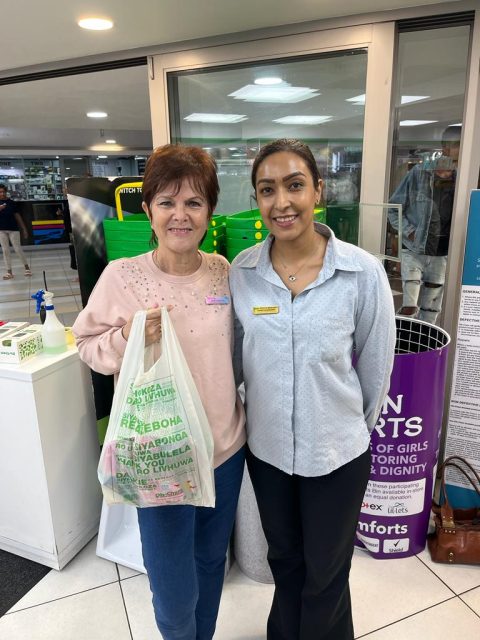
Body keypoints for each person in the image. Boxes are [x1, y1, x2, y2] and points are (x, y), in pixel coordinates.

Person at [72, 144, 246, 640]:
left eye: (194, 202)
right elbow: (86, 345)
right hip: (161, 457)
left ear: (210, 211)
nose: (180, 215)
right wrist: (128, 336)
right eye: (167, 202)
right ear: (148, 210)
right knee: (172, 587)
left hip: (225, 450)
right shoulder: (122, 276)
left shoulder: (223, 271)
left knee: (211, 561)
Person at [230, 138, 396, 640]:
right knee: (285, 561)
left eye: (295, 185)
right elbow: (235, 362)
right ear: (257, 200)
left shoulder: (361, 273)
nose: (282, 202)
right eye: (267, 190)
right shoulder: (242, 273)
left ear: (318, 191)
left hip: (337, 453)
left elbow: (376, 370)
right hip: (269, 453)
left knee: (326, 573)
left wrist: (346, 430)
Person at [388, 125, 461, 324]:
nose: (462, 150)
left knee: (431, 311)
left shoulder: (463, 178)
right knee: (409, 309)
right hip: (415, 250)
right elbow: (393, 209)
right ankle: (404, 341)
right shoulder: (419, 174)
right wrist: (410, 232)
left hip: (442, 254)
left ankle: (425, 344)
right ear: (446, 147)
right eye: (458, 145)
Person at [0, 184, 32, 279]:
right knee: (5, 250)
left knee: (17, 248)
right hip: (1, 230)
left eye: (3, 192)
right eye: (0, 192)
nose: (2, 194)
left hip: (13, 229)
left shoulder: (11, 203)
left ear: (6, 192)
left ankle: (27, 268)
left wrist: (24, 229)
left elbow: (17, 216)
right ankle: (9, 272)